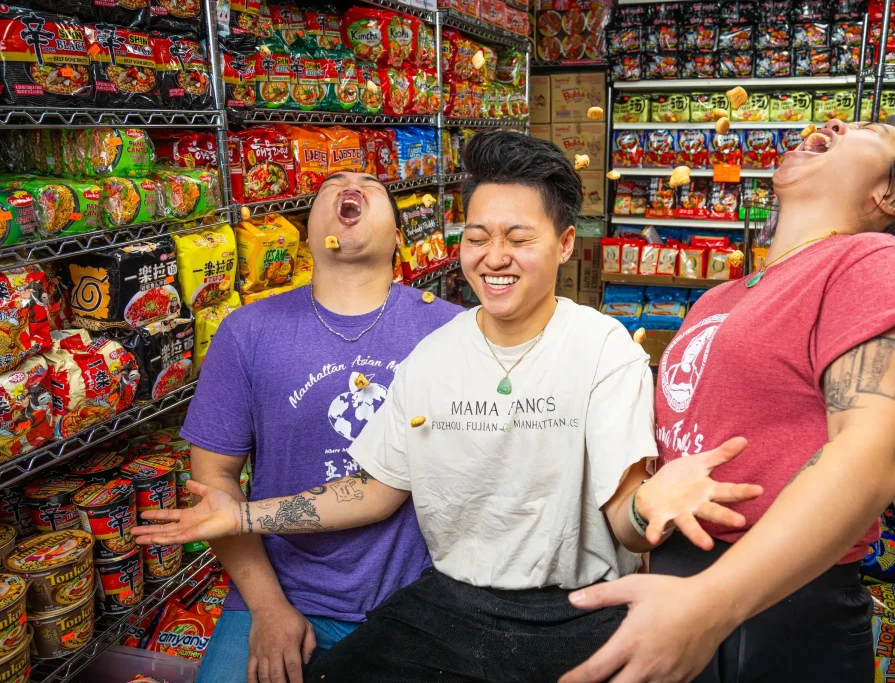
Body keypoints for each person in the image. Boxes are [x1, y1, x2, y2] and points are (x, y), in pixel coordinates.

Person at [134, 131, 763, 682]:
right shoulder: (431, 354)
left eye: (519, 238)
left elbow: (624, 519)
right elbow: (375, 490)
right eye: (478, 236)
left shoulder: (602, 350)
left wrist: (650, 503)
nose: (494, 257)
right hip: (451, 606)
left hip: (575, 607)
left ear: (566, 243)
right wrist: (243, 515)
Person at [561, 119, 895, 683]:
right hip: (675, 591)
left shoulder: (870, 262)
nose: (832, 122)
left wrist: (710, 604)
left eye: (868, 129)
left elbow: (877, 455)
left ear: (889, 196)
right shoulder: (719, 296)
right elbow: (638, 510)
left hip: (774, 607)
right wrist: (644, 505)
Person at [180, 171, 461, 683]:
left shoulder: (449, 329)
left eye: (370, 186)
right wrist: (268, 609)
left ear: (400, 238)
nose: (349, 187)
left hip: (418, 602)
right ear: (306, 234)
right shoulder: (246, 332)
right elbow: (214, 482)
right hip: (278, 593)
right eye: (330, 185)